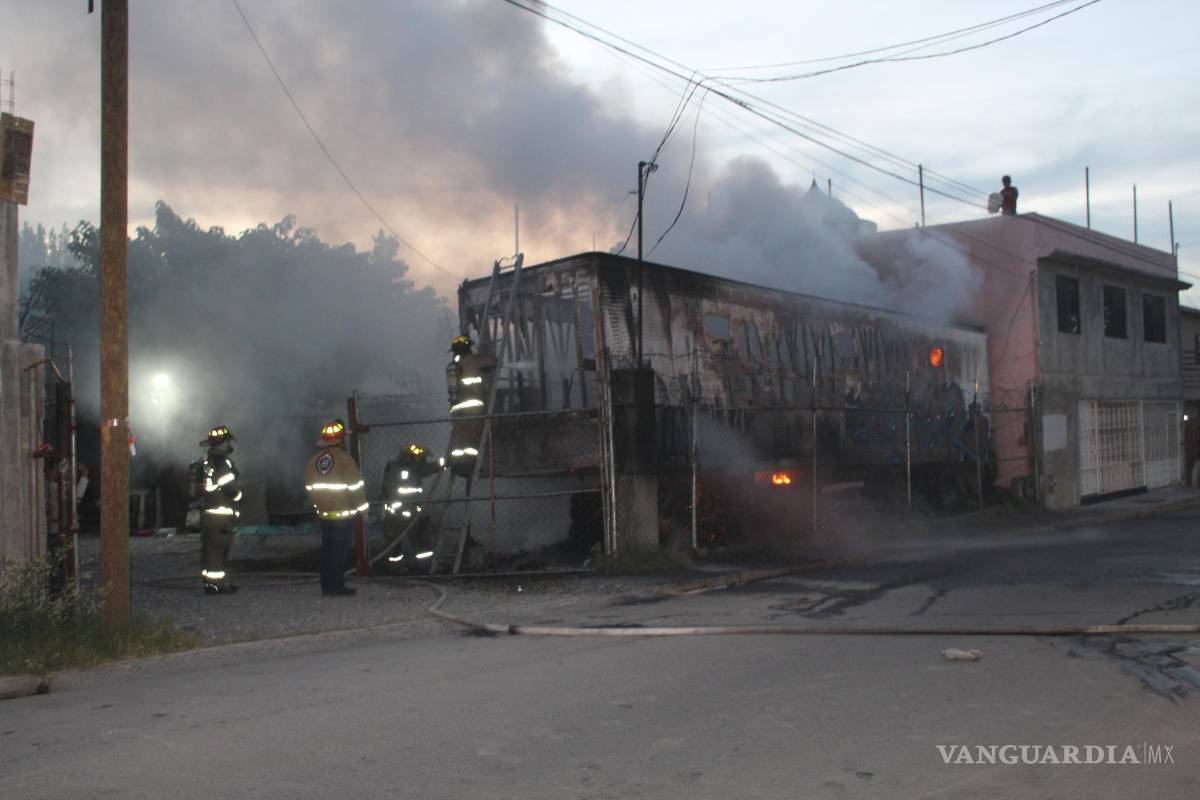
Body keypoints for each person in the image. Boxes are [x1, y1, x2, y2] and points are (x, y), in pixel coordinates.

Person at [304, 419, 367, 596]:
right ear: (341, 440)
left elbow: (310, 488)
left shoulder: (313, 461)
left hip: (324, 515)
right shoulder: (345, 460)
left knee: (327, 552)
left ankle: (327, 586)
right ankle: (336, 587)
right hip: (342, 516)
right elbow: (355, 488)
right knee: (338, 554)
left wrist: (319, 506)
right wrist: (363, 511)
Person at [381, 443, 442, 567]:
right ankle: (424, 566)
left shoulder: (392, 467)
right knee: (419, 538)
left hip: (393, 513)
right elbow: (429, 468)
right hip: (408, 512)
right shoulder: (414, 468)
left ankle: (395, 567)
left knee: (394, 542)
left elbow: (385, 491)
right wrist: (445, 463)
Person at [198, 425, 242, 595]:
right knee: (218, 549)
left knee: (209, 549)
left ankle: (209, 582)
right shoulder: (222, 462)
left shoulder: (207, 461)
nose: (229, 444)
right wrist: (238, 496)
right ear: (223, 442)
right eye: (228, 440)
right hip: (221, 514)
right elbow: (228, 488)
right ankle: (217, 586)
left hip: (209, 512)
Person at [445, 335, 496, 477]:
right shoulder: (474, 361)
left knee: (459, 437)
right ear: (468, 347)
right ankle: (471, 464)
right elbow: (493, 361)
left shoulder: (453, 366)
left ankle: (458, 463)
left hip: (457, 410)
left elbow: (453, 391)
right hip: (473, 408)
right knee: (472, 436)